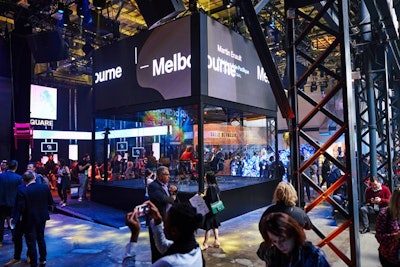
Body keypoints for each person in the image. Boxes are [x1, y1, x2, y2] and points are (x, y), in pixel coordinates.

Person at [122, 201, 204, 267]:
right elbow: (163, 246)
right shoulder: (194, 248)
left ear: (174, 231)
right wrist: (158, 222)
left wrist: (134, 235)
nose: (164, 224)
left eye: (166, 221)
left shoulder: (168, 263)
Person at [257, 181, 312, 261]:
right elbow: (309, 226)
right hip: (296, 253)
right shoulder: (299, 212)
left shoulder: (268, 212)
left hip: (274, 254)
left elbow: (262, 229)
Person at [258, 212, 330, 266]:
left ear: (293, 234)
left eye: (283, 240)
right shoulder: (272, 254)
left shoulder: (314, 255)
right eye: (274, 241)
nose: (279, 245)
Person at [13, 171, 53, 267]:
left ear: (24, 181)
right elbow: (50, 202)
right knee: (41, 238)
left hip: (29, 219)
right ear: (34, 178)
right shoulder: (44, 187)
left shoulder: (22, 190)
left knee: (31, 243)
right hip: (42, 217)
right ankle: (43, 260)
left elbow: (22, 208)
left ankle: (33, 263)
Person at [147, 166, 178, 263]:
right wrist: (173, 197)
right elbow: (163, 199)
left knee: (166, 247)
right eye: (166, 174)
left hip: (167, 220)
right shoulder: (153, 186)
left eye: (169, 174)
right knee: (157, 248)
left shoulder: (166, 185)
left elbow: (172, 198)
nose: (169, 177)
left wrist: (174, 191)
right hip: (157, 221)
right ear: (160, 176)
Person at [375, 187, 400, 266]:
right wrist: (396, 236)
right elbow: (379, 237)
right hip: (390, 256)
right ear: (396, 199)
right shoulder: (385, 214)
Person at [0, 160, 22, 246]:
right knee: (13, 221)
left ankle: (0, 241)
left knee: (1, 222)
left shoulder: (1, 176)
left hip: (1, 203)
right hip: (13, 203)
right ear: (16, 167)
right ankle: (15, 238)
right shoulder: (19, 178)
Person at [201, 171, 221, 250]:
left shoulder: (211, 187)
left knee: (208, 226)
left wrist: (203, 197)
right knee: (214, 225)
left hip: (210, 210)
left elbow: (211, 199)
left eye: (206, 176)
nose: (204, 177)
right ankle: (216, 241)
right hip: (215, 208)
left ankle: (205, 243)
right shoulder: (216, 186)